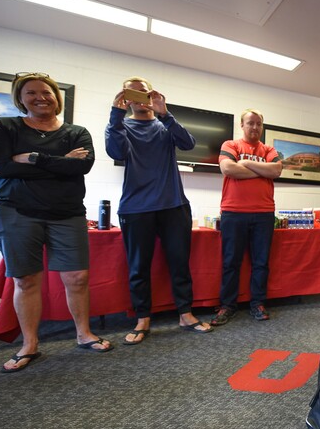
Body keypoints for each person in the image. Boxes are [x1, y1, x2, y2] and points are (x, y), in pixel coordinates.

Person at [0, 72, 113, 372]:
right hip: (14, 210)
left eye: (47, 92)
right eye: (31, 93)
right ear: (20, 99)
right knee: (25, 279)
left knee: (77, 278)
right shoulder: (4, 126)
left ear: (57, 97)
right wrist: (60, 163)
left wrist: (31, 158)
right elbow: (1, 167)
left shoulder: (77, 132)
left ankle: (84, 334)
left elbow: (82, 166)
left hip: (66, 212)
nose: (40, 97)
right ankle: (29, 344)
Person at [105, 76, 212, 345]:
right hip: (136, 208)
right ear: (127, 99)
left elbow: (188, 144)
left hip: (173, 205)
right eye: (134, 94)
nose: (141, 98)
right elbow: (115, 150)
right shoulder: (122, 126)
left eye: (145, 92)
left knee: (179, 263)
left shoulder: (165, 125)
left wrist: (166, 113)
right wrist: (116, 115)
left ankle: (185, 314)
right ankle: (143, 319)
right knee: (138, 267)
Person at [210, 109, 282, 326]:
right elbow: (228, 169)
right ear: (242, 125)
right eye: (250, 123)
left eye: (259, 124)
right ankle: (227, 305)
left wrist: (247, 164)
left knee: (261, 262)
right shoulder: (230, 145)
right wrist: (262, 170)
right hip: (233, 212)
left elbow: (276, 170)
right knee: (231, 261)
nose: (255, 128)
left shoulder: (269, 149)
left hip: (264, 213)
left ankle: (258, 303)